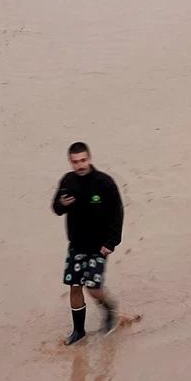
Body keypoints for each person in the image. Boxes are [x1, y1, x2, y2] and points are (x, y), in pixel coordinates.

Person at [52, 141, 123, 345]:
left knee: (93, 288)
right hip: (76, 244)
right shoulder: (67, 181)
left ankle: (110, 310)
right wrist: (61, 204)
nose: (80, 165)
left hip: (99, 245)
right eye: (75, 162)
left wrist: (111, 242)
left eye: (83, 160)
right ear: (70, 162)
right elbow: (56, 207)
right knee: (75, 287)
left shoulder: (105, 183)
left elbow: (117, 214)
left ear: (89, 159)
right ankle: (78, 331)